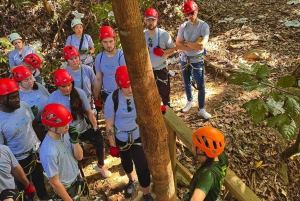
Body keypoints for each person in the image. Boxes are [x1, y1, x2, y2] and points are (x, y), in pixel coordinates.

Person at [47, 69, 111, 178]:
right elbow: (51, 118)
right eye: (63, 86)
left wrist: (95, 127)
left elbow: (89, 112)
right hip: (67, 131)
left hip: (82, 126)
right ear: (57, 86)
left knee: (99, 141)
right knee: (72, 153)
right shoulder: (53, 98)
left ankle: (101, 165)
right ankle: (76, 171)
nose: (67, 88)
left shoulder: (79, 92)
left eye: (69, 85)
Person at [104, 66, 153, 201]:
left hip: (137, 135)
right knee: (126, 161)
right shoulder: (112, 99)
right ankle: (132, 180)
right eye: (126, 87)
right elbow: (109, 124)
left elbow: (149, 104)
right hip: (121, 136)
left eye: (131, 85)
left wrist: (156, 107)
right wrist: (112, 145)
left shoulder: (139, 93)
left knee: (142, 165)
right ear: (120, 86)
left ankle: (146, 193)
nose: (130, 89)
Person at [0, 78, 47, 200]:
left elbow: (34, 125)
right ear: (1, 100)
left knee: (39, 179)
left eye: (17, 96)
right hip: (17, 161)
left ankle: (43, 196)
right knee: (23, 188)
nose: (17, 100)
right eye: (12, 98)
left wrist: (44, 142)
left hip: (34, 152)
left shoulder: (23, 106)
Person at [39, 103, 85, 200]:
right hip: (66, 188)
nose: (67, 127)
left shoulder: (65, 134)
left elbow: (79, 157)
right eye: (63, 124)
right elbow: (54, 182)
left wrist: (75, 141)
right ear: (51, 127)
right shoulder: (49, 151)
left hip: (76, 178)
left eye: (67, 123)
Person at [175, 1, 211, 119]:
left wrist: (185, 43)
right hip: (185, 59)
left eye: (191, 13)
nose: (190, 16)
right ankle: (189, 101)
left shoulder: (203, 26)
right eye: (187, 14)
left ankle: (201, 108)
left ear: (196, 11)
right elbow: (177, 45)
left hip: (197, 59)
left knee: (200, 84)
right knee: (186, 82)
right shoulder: (183, 26)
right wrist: (191, 45)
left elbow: (201, 46)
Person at [183, 126, 228, 201]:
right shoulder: (220, 156)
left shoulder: (208, 174)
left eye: (194, 142)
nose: (192, 142)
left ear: (200, 150)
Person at [143, 8, 174, 107]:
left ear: (157, 20)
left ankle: (168, 111)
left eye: (153, 20)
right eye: (148, 20)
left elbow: (172, 49)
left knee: (164, 92)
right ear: (145, 21)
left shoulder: (164, 34)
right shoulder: (142, 35)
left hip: (161, 67)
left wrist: (163, 52)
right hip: (147, 70)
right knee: (149, 94)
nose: (150, 22)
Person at [94, 26, 126, 109]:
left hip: (122, 94)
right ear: (101, 42)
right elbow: (98, 79)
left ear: (115, 41)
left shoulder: (122, 56)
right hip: (107, 94)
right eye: (105, 42)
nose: (108, 45)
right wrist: (96, 98)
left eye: (111, 41)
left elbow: (128, 78)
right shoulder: (99, 58)